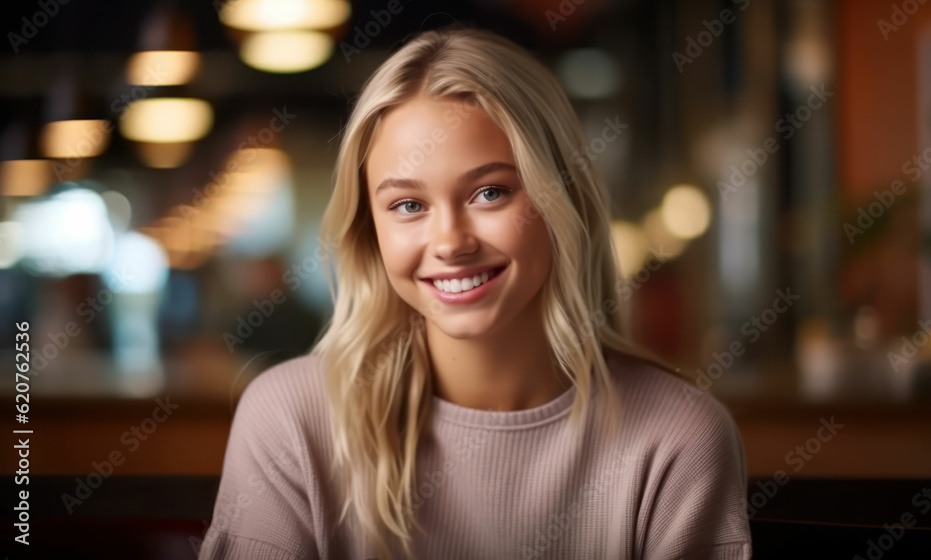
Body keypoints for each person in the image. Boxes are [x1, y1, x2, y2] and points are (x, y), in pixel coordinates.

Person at [198, 25, 752, 560]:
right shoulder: (289, 420)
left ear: (563, 202)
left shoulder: (680, 438)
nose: (450, 243)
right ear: (370, 231)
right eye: (408, 206)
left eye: (490, 192)